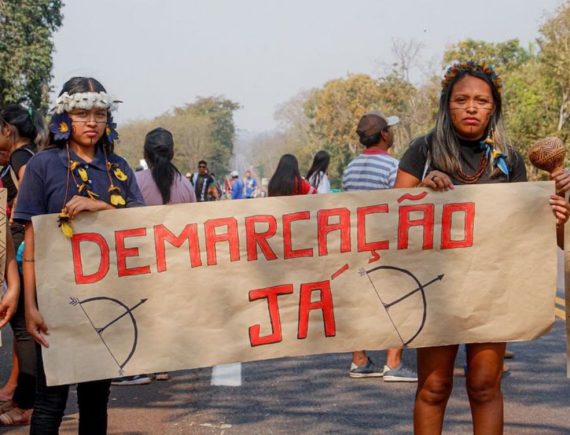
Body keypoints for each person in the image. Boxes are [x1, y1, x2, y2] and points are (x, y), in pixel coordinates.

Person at [395, 61, 570, 434]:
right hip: (435, 289)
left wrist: (555, 216)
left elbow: (535, 236)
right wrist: (421, 189)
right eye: (462, 99)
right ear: (447, 105)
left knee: (485, 386)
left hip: (493, 286)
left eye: (481, 101)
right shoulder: (422, 150)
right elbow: (388, 218)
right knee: (434, 386)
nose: (471, 107)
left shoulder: (510, 161)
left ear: (494, 108)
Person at [14, 76, 145, 435]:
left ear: (108, 119)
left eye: (99, 113)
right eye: (82, 113)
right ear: (63, 117)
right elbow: (31, 240)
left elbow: (144, 224)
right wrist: (30, 305)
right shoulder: (43, 165)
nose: (91, 122)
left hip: (107, 301)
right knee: (50, 399)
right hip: (55, 301)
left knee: (95, 397)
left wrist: (98, 205)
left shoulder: (118, 168)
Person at [341, 111, 417, 383]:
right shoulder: (394, 167)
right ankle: (393, 363)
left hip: (355, 243)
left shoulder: (349, 169)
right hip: (384, 243)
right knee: (400, 298)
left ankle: (359, 360)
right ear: (384, 134)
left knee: (358, 302)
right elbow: (398, 206)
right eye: (390, 130)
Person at [0, 103, 46, 426]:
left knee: (23, 326)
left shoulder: (20, 158)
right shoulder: (30, 155)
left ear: (8, 130)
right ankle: (22, 396)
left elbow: (29, 192)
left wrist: (19, 212)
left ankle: (28, 403)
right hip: (21, 243)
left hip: (21, 244)